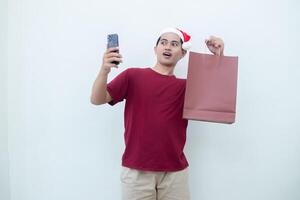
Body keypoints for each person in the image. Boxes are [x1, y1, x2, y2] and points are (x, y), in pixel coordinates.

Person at [90, 27, 225, 200]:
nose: (168, 47)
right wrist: (104, 70)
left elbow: (219, 95)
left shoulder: (187, 87)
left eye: (174, 44)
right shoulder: (133, 76)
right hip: (136, 172)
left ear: (183, 53)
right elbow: (97, 99)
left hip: (175, 174)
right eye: (163, 42)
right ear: (156, 49)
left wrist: (218, 57)